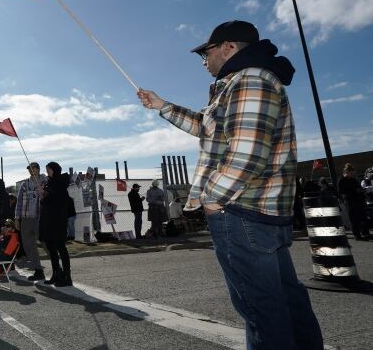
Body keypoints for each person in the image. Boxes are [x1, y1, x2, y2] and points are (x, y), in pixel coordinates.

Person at [137, 20, 323, 348]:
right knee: (284, 301)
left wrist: (214, 198)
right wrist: (162, 106)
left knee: (261, 311)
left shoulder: (250, 79)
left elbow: (249, 152)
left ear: (228, 47)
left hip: (242, 210)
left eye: (205, 52)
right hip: (256, 210)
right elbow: (208, 128)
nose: (203, 60)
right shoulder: (240, 82)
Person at [39, 161, 72, 287]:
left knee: (60, 246)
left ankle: (67, 276)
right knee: (51, 247)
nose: (47, 172)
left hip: (58, 219)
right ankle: (56, 273)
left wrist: (46, 192)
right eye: (47, 170)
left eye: (49, 170)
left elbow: (57, 198)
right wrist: (42, 195)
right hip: (49, 219)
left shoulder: (61, 181)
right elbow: (45, 202)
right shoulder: (49, 183)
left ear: (54, 169)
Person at [16, 162, 47, 281]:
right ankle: (38, 270)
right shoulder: (25, 184)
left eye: (33, 168)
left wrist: (42, 191)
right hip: (26, 218)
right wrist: (17, 218)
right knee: (28, 245)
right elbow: (19, 203)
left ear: (38, 169)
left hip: (41, 217)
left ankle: (57, 268)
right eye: (29, 169)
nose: (31, 170)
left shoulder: (45, 182)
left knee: (45, 242)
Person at [338, 163, 371, 241]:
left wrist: (362, 191)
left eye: (353, 173)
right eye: (351, 173)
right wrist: (354, 191)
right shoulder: (341, 180)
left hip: (358, 200)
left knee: (363, 217)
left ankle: (366, 233)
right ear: (346, 172)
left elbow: (358, 187)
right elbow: (341, 192)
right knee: (354, 218)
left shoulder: (353, 179)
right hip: (349, 201)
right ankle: (357, 235)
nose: (352, 175)